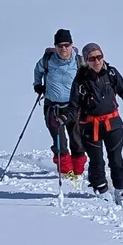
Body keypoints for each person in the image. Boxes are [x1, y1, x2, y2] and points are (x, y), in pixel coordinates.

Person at [67, 44, 123, 197]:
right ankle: (102, 190)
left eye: (99, 57)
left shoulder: (111, 73)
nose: (96, 61)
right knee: (97, 161)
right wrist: (63, 117)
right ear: (86, 60)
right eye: (92, 58)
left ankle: (120, 190)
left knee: (116, 158)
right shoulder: (80, 80)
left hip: (113, 124)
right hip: (90, 126)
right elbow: (73, 106)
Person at [33, 29, 86, 180]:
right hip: (53, 107)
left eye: (66, 45)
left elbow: (88, 79)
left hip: (74, 107)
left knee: (77, 140)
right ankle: (66, 172)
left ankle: (78, 172)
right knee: (59, 141)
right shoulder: (47, 60)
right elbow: (37, 71)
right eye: (60, 45)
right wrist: (38, 85)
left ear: (71, 45)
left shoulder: (79, 61)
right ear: (55, 46)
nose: (63, 48)